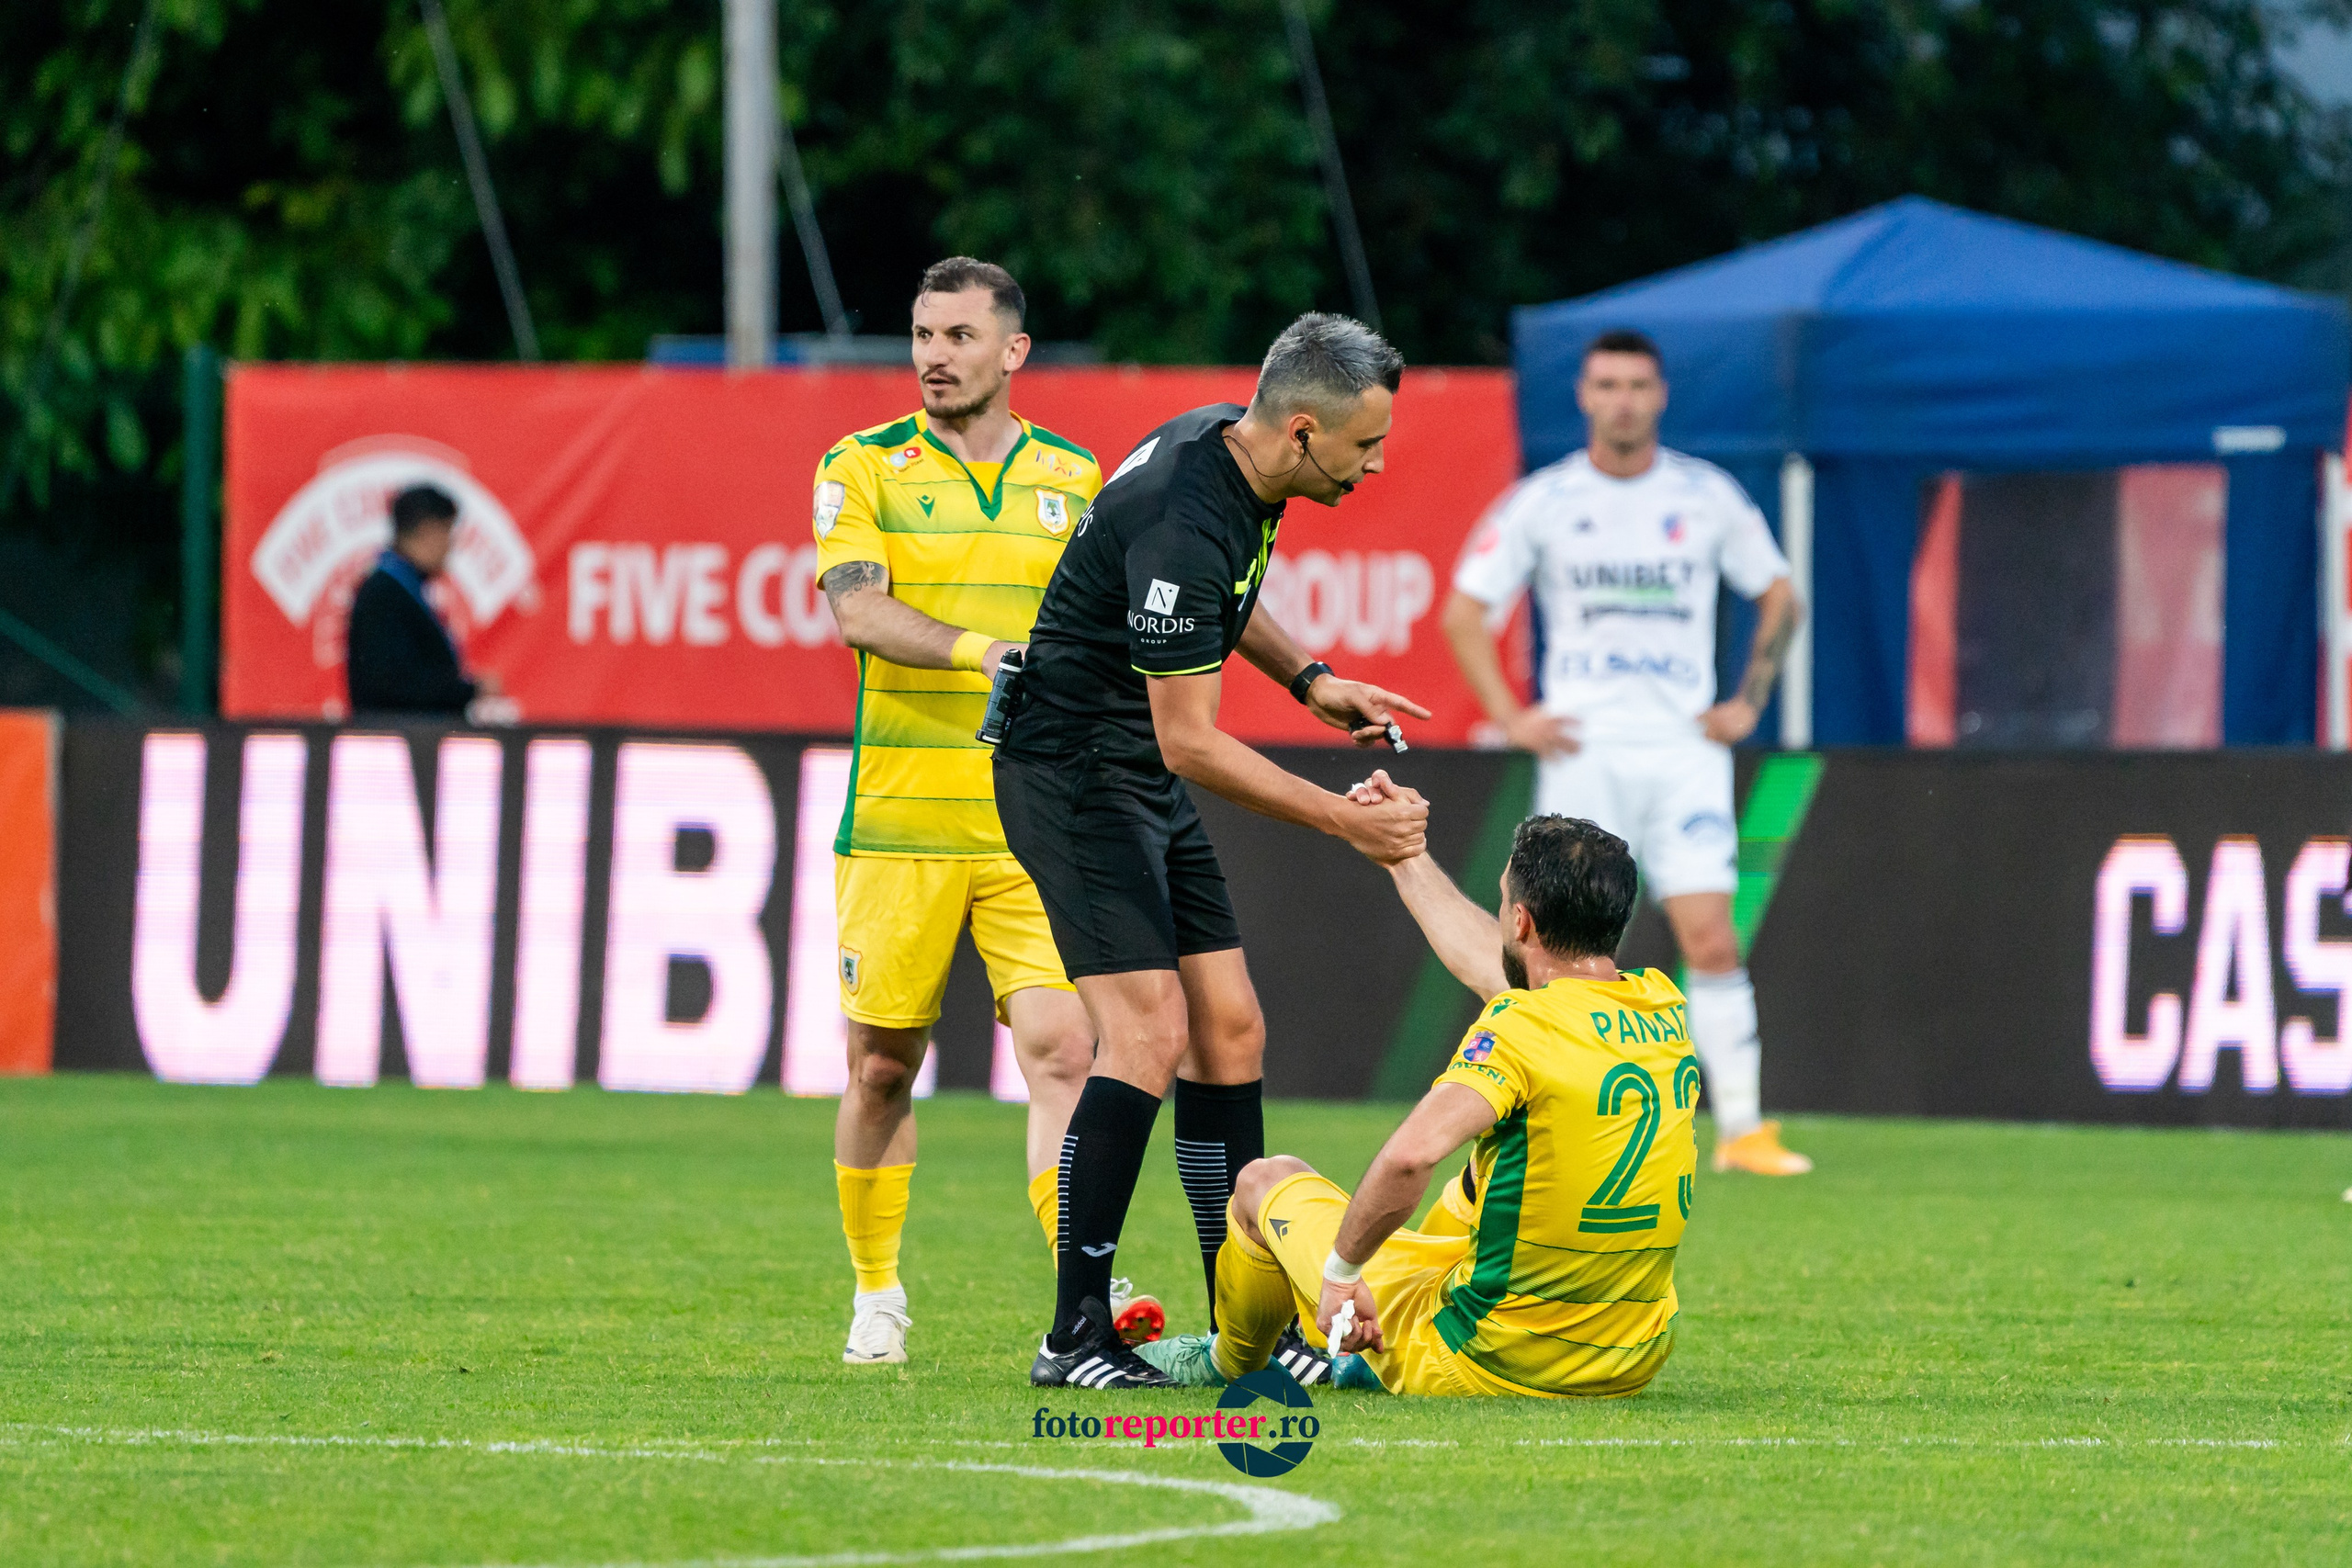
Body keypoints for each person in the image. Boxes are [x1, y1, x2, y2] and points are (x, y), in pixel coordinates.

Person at [995, 311, 1432, 1390]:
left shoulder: (1224, 451)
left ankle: (1244, 1324)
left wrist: (1309, 679)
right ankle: (1076, 1333)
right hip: (1072, 772)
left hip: (1126, 764)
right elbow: (1186, 741)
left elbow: (1220, 607)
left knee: (1229, 1029)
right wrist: (1344, 823)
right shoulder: (1183, 516)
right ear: (1299, 432)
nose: (1373, 465)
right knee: (1146, 1033)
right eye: (1362, 447)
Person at [813, 258, 1159, 1369]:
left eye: (958, 336)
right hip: (902, 821)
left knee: (1062, 1049)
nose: (932, 356)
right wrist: (987, 654)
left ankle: (1083, 1299)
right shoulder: (860, 465)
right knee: (880, 1066)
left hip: (1030, 816)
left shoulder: (1074, 473)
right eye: (921, 333)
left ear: (1012, 351)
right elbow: (857, 613)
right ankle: (877, 1292)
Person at [1138, 802, 1696, 1398]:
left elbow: (1411, 1157)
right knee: (1480, 1184)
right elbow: (1503, 968)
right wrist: (1405, 857)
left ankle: (1231, 1360)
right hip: (1628, 1360)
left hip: (1487, 1359)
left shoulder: (1520, 1027)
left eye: (1503, 902)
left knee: (1261, 1180)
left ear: (1523, 923)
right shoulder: (1665, 1007)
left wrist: (1341, 1274)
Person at [1441, 328, 1811, 1177]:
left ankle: (1744, 1129)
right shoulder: (1546, 500)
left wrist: (1748, 699)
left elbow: (1780, 592)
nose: (1624, 400)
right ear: (1583, 395)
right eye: (1607, 384)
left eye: (1638, 384)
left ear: (1661, 395)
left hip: (1682, 750)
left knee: (1710, 934)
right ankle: (1546, 1112)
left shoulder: (1704, 495)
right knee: (1554, 949)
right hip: (1584, 753)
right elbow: (1466, 609)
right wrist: (1511, 713)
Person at [346, 484, 499, 716]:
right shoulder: (383, 594)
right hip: (399, 744)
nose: (450, 547)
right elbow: (392, 685)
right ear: (428, 531)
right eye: (447, 533)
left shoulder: (399, 590)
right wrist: (468, 690)